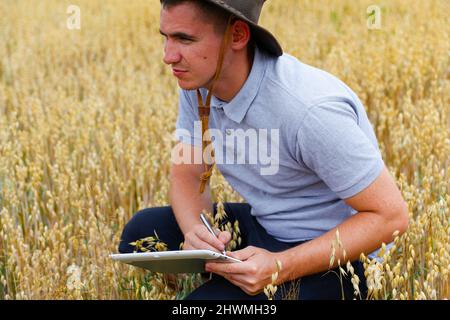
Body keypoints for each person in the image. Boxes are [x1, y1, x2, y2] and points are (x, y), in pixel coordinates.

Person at [118, 0, 409, 300]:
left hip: (340, 256)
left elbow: (390, 216)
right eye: (165, 37)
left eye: (185, 39)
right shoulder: (200, 84)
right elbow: (189, 174)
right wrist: (197, 231)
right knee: (141, 234)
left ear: (238, 36)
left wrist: (280, 267)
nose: (168, 56)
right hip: (266, 226)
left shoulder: (309, 110)